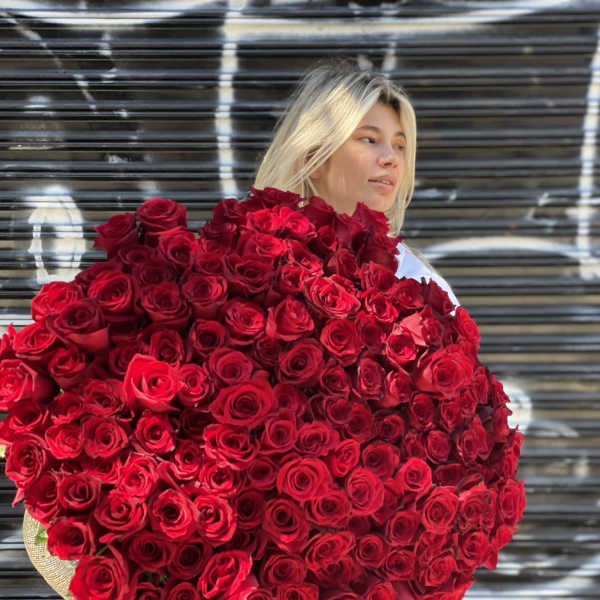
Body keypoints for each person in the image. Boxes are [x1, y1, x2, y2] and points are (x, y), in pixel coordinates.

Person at [254, 58, 460, 309]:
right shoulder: (253, 261)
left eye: (400, 145)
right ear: (313, 159)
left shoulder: (419, 283)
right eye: (370, 139)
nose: (392, 159)